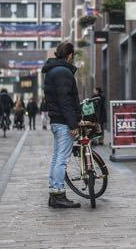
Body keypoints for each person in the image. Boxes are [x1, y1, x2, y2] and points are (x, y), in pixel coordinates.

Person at [42, 41, 82, 208]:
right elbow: (65, 101)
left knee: (57, 158)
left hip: (57, 121)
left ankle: (54, 192)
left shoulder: (52, 71)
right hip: (63, 122)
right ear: (70, 56)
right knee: (62, 160)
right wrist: (73, 124)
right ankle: (58, 194)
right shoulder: (63, 73)